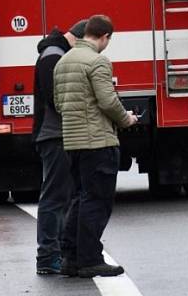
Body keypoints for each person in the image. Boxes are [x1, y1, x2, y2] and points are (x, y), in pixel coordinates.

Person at [54, 14, 138, 278]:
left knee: (79, 199)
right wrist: (127, 119)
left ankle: (70, 258)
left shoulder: (63, 62)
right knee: (97, 202)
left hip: (73, 141)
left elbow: (58, 104)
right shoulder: (98, 61)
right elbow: (107, 101)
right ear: (104, 37)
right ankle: (90, 259)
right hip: (98, 141)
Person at [34, 20, 88, 275]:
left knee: (62, 196)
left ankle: (56, 253)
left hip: (57, 133)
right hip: (54, 134)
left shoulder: (55, 53)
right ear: (78, 38)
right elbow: (57, 100)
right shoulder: (53, 57)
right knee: (55, 197)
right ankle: (47, 256)